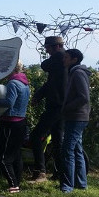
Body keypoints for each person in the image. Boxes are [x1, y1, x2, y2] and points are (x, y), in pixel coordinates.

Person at [0, 61, 31, 193]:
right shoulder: (24, 83)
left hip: (10, 122)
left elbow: (9, 102)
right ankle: (17, 182)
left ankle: (13, 184)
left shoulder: (13, 83)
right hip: (21, 122)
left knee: (2, 157)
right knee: (16, 154)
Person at [29, 36, 68, 182]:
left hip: (56, 106)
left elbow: (44, 65)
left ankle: (40, 171)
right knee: (58, 140)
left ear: (56, 47)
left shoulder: (60, 58)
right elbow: (50, 83)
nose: (46, 50)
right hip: (62, 106)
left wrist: (38, 97)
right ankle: (60, 172)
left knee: (35, 136)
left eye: (48, 47)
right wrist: (38, 96)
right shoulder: (63, 60)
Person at [60, 49, 91, 193]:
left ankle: (67, 186)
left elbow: (84, 97)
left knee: (67, 151)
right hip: (76, 116)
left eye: (66, 57)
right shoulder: (74, 72)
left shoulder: (78, 73)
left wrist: (66, 108)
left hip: (76, 117)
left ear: (74, 59)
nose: (63, 60)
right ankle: (81, 183)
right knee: (77, 150)